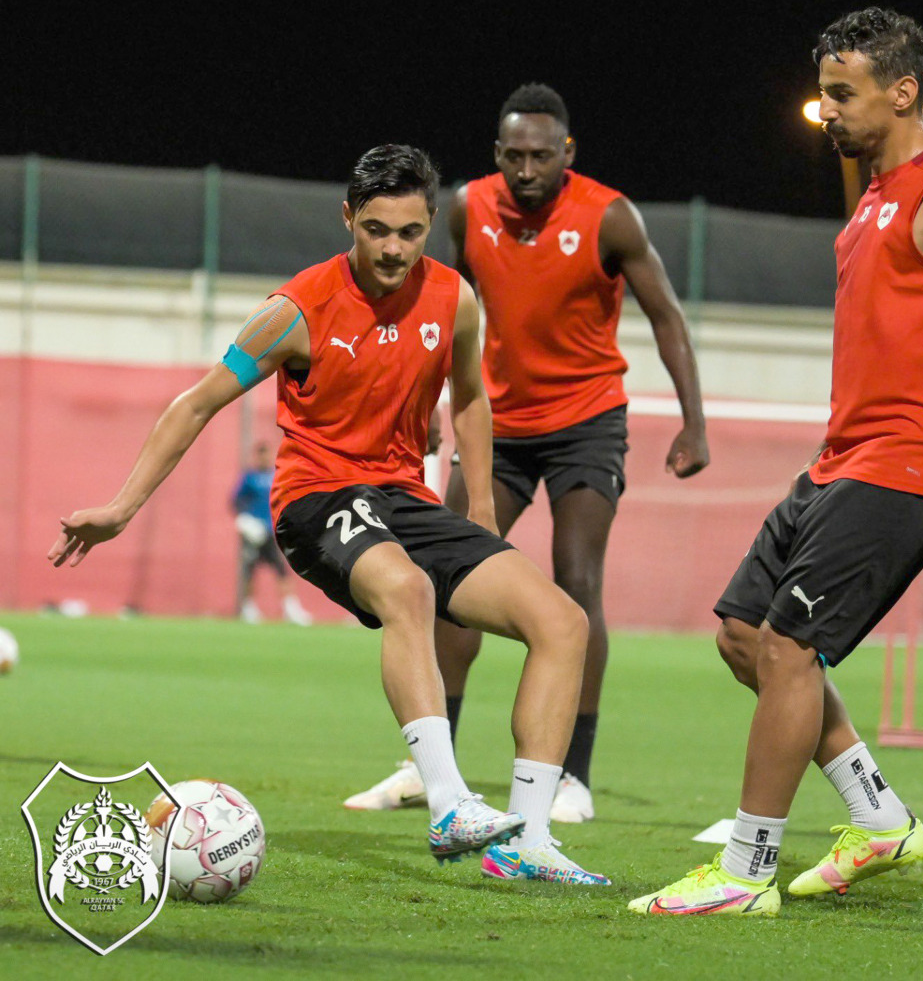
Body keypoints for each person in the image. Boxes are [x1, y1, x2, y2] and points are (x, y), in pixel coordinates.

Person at [49, 144, 610, 885]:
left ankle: (527, 843)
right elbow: (198, 403)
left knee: (562, 624)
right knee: (407, 589)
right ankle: (447, 803)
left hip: (404, 500)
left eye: (409, 232)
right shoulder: (296, 311)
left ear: (429, 225)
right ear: (348, 217)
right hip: (316, 499)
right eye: (376, 229)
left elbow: (471, 397)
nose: (392, 248)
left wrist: (478, 510)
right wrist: (121, 509)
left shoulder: (454, 299)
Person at [629, 8, 923, 916]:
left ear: (903, 91)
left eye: (842, 94)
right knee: (742, 636)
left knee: (787, 647)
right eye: (822, 93)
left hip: (907, 464)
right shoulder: (868, 192)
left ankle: (744, 874)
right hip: (838, 458)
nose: (826, 112)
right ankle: (879, 819)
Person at [344, 84, 709, 823]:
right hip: (499, 425)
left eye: (541, 155)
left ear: (567, 153)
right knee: (440, 578)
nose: (526, 169)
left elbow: (665, 316)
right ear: (496, 154)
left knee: (574, 580)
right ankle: (430, 767)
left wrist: (693, 423)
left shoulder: (608, 215)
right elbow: (438, 304)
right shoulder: (467, 208)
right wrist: (425, 406)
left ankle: (572, 775)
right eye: (513, 154)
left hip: (586, 422)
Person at [233, 440, 311, 625]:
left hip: (271, 532)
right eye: (261, 454)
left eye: (267, 454)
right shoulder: (249, 478)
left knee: (281, 569)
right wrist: (246, 521)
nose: (264, 458)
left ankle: (290, 608)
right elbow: (236, 502)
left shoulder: (277, 476)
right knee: (249, 570)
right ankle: (248, 608)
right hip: (253, 533)